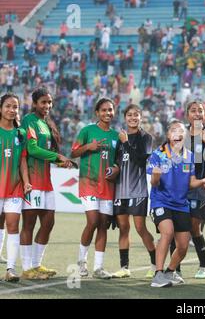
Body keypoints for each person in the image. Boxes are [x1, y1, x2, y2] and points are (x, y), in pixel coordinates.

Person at [149, 120, 205, 288]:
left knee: (184, 246)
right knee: (167, 232)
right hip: (161, 202)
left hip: (181, 204)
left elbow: (191, 183)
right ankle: (158, 275)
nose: (177, 133)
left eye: (180, 131)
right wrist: (156, 175)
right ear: (168, 135)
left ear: (185, 137)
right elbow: (154, 182)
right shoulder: (159, 153)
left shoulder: (190, 156)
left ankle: (170, 271)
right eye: (173, 130)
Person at [20, 87, 73, 280]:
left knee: (49, 222)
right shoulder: (29, 120)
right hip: (32, 180)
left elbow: (46, 152)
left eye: (49, 102)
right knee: (29, 224)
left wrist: (60, 161)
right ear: (35, 103)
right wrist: (57, 155)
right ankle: (27, 269)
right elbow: (32, 150)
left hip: (46, 181)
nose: (47, 106)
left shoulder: (45, 123)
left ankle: (36, 264)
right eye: (43, 102)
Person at [71, 98, 119, 279]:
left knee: (103, 225)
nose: (108, 113)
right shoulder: (87, 131)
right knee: (92, 221)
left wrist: (116, 169)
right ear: (97, 113)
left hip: (107, 186)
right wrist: (88, 147)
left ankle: (98, 267)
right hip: (89, 183)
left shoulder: (116, 136)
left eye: (110, 110)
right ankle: (81, 262)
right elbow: (73, 152)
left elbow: (119, 160)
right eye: (104, 110)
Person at [110, 104, 157, 279]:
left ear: (141, 117)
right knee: (123, 228)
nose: (133, 118)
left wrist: (125, 142)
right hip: (120, 191)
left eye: (136, 115)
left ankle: (155, 263)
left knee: (140, 228)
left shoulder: (145, 137)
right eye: (129, 115)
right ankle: (124, 267)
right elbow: (116, 161)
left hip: (138, 190)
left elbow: (139, 160)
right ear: (125, 117)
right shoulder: (118, 138)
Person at [182, 101, 205, 279]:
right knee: (177, 227)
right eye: (193, 111)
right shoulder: (180, 134)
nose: (197, 114)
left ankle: (203, 265)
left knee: (195, 228)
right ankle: (175, 269)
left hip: (199, 188)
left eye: (200, 111)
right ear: (187, 114)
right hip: (179, 188)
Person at [0, 93, 31, 282]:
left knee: (13, 226)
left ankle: (10, 269)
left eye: (15, 107)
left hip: (14, 188)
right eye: (8, 106)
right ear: (1, 108)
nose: (12, 110)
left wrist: (26, 181)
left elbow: (23, 161)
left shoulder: (20, 134)